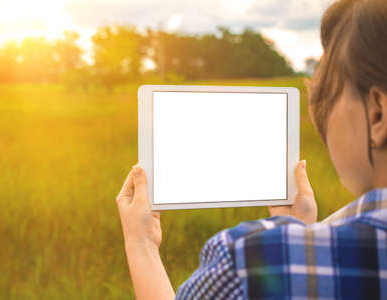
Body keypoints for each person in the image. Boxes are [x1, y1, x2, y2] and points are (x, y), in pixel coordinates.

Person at [115, 0, 387, 298]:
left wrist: (141, 243)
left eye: (330, 93)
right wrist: (297, 231)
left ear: (377, 115)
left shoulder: (248, 261)